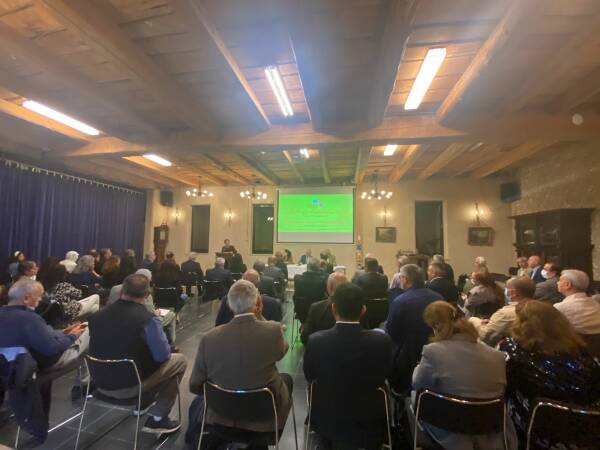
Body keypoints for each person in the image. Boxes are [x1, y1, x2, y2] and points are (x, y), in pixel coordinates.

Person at [190, 280, 292, 434]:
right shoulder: (273, 330)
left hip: (220, 413)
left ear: (229, 305)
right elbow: (282, 350)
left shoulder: (208, 338)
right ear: (258, 303)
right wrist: (260, 317)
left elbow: (195, 384)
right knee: (287, 379)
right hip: (263, 414)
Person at [89, 274, 187, 434]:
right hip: (129, 386)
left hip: (99, 382)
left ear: (122, 291)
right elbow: (162, 356)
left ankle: (146, 400)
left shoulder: (96, 316)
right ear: (147, 294)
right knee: (179, 361)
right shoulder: (148, 320)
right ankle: (158, 418)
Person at [412, 301, 515, 450]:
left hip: (447, 430)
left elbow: (418, 384)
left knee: (414, 397)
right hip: (491, 434)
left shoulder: (432, 351)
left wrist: (417, 368)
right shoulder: (498, 356)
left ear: (435, 327)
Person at [304, 283, 392, 449]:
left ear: (333, 308)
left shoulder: (317, 341)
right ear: (363, 310)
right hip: (369, 418)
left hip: (328, 418)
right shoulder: (381, 341)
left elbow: (310, 375)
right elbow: (385, 374)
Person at [499, 300, 600, 443]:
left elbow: (501, 383)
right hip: (582, 433)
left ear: (521, 324)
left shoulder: (513, 350)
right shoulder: (582, 354)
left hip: (528, 427)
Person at [0, 278, 88, 375]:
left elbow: (41, 335)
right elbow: (52, 348)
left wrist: (64, 332)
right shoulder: (30, 318)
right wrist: (73, 336)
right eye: (38, 296)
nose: (40, 299)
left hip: (9, 368)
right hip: (42, 364)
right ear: (26, 298)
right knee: (88, 328)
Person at [385, 264, 442, 392]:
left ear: (405, 279)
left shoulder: (400, 301)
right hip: (436, 354)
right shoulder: (438, 297)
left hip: (407, 357)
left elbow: (391, 332)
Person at [108, 269, 177, 346]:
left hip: (114, 323)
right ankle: (171, 343)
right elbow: (149, 313)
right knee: (171, 315)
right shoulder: (145, 294)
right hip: (140, 325)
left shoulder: (114, 289)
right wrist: (155, 313)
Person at [471, 276, 534, 347]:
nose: (505, 291)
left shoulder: (504, 314)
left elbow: (485, 335)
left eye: (506, 288)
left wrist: (475, 321)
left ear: (513, 293)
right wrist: (493, 322)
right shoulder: (539, 309)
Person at [215, 270, 282, 326]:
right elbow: (277, 332)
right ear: (259, 284)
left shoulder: (227, 299)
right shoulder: (273, 304)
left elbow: (218, 324)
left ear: (241, 282)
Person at [301, 272, 348, 344]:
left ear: (328, 287)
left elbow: (305, 338)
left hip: (320, 348)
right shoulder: (355, 307)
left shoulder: (316, 308)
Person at [554, 269, 600, 335]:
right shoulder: (596, 304)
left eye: (560, 280)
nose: (557, 282)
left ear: (567, 285)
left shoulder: (559, 308)